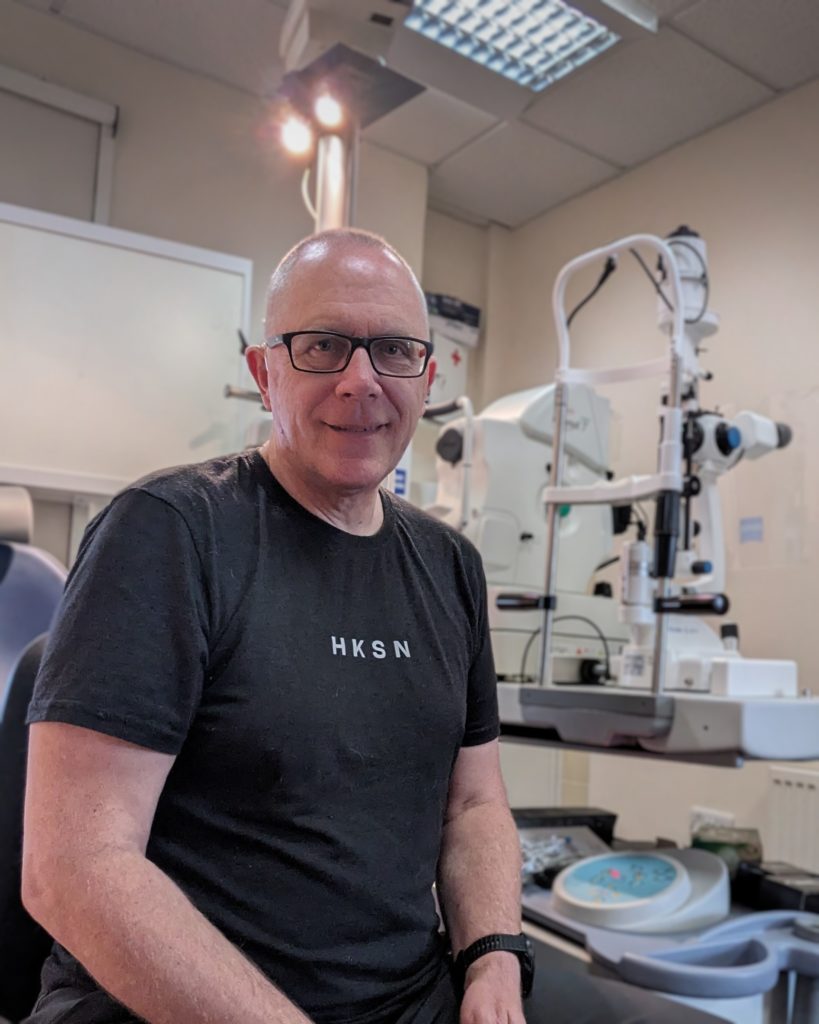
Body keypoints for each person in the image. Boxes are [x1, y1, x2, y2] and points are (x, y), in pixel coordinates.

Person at [21, 228, 727, 1024]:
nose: (361, 382)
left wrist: (494, 957)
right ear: (264, 372)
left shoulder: (448, 565)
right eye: (322, 346)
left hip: (407, 997)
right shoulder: (169, 532)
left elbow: (473, 806)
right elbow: (74, 866)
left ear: (425, 379)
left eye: (392, 351)